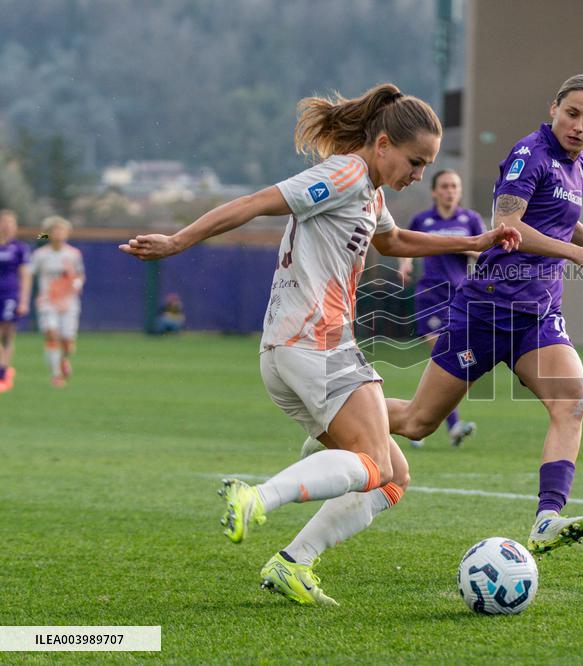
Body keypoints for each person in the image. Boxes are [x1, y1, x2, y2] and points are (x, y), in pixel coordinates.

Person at [119, 83, 520, 606]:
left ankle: (294, 562)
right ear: (381, 145)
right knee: (375, 461)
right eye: (415, 161)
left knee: (393, 477)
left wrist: (470, 241)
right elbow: (257, 202)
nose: (418, 175)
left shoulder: (370, 191)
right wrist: (177, 241)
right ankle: (257, 496)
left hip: (291, 351)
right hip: (314, 341)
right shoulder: (346, 173)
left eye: (426, 166)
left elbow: (391, 242)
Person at [385, 74, 583, 556]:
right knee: (418, 422)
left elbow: (567, 222)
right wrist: (574, 256)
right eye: (572, 113)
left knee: (571, 402)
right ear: (554, 107)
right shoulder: (528, 154)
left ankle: (547, 517)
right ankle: (338, 421)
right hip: (488, 309)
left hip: (538, 313)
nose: (579, 125)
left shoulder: (579, 167)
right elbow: (507, 225)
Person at [397, 170, 484, 448]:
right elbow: (405, 243)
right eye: (444, 186)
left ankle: (417, 416)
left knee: (459, 362)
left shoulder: (470, 220)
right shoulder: (423, 220)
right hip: (430, 297)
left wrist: (466, 248)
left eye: (454, 186)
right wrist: (405, 263)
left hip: (460, 298)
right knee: (443, 356)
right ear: (434, 191)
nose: (449, 191)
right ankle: (449, 423)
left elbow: (485, 253)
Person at [28, 216, 85, 388]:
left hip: (69, 302)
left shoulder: (73, 254)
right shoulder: (40, 254)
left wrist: (77, 283)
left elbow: (80, 275)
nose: (58, 234)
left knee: (67, 341)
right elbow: (29, 274)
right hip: (47, 302)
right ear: (48, 233)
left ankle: (64, 360)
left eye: (61, 230)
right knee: (52, 335)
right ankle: (56, 375)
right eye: (54, 230)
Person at [0, 209, 32, 393]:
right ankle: (3, 369)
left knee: (7, 334)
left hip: (10, 295)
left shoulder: (19, 248)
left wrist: (24, 301)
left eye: (11, 223)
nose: (7, 226)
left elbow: (25, 275)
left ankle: (4, 372)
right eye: (4, 222)